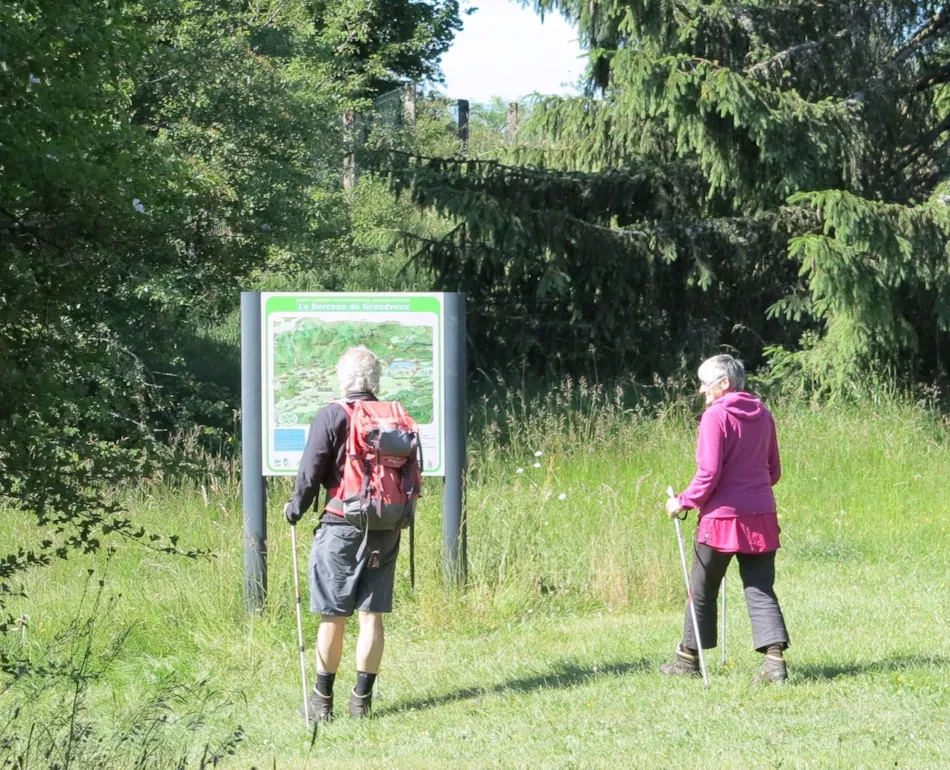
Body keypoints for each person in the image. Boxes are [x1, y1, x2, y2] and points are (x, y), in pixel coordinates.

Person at [284, 345, 403, 722]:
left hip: (341, 526)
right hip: (385, 525)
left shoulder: (333, 415)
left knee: (333, 615)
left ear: (343, 378)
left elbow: (310, 471)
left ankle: (321, 702)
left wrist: (295, 509)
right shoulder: (392, 418)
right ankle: (361, 700)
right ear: (375, 380)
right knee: (372, 615)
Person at [662, 354, 790, 683]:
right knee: (760, 587)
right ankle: (774, 663)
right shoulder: (764, 414)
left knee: (702, 589)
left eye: (705, 383)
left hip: (721, 520)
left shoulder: (715, 417)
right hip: (761, 515)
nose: (701, 390)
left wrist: (682, 501)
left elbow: (709, 473)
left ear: (724, 384)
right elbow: (773, 472)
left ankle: (687, 660)